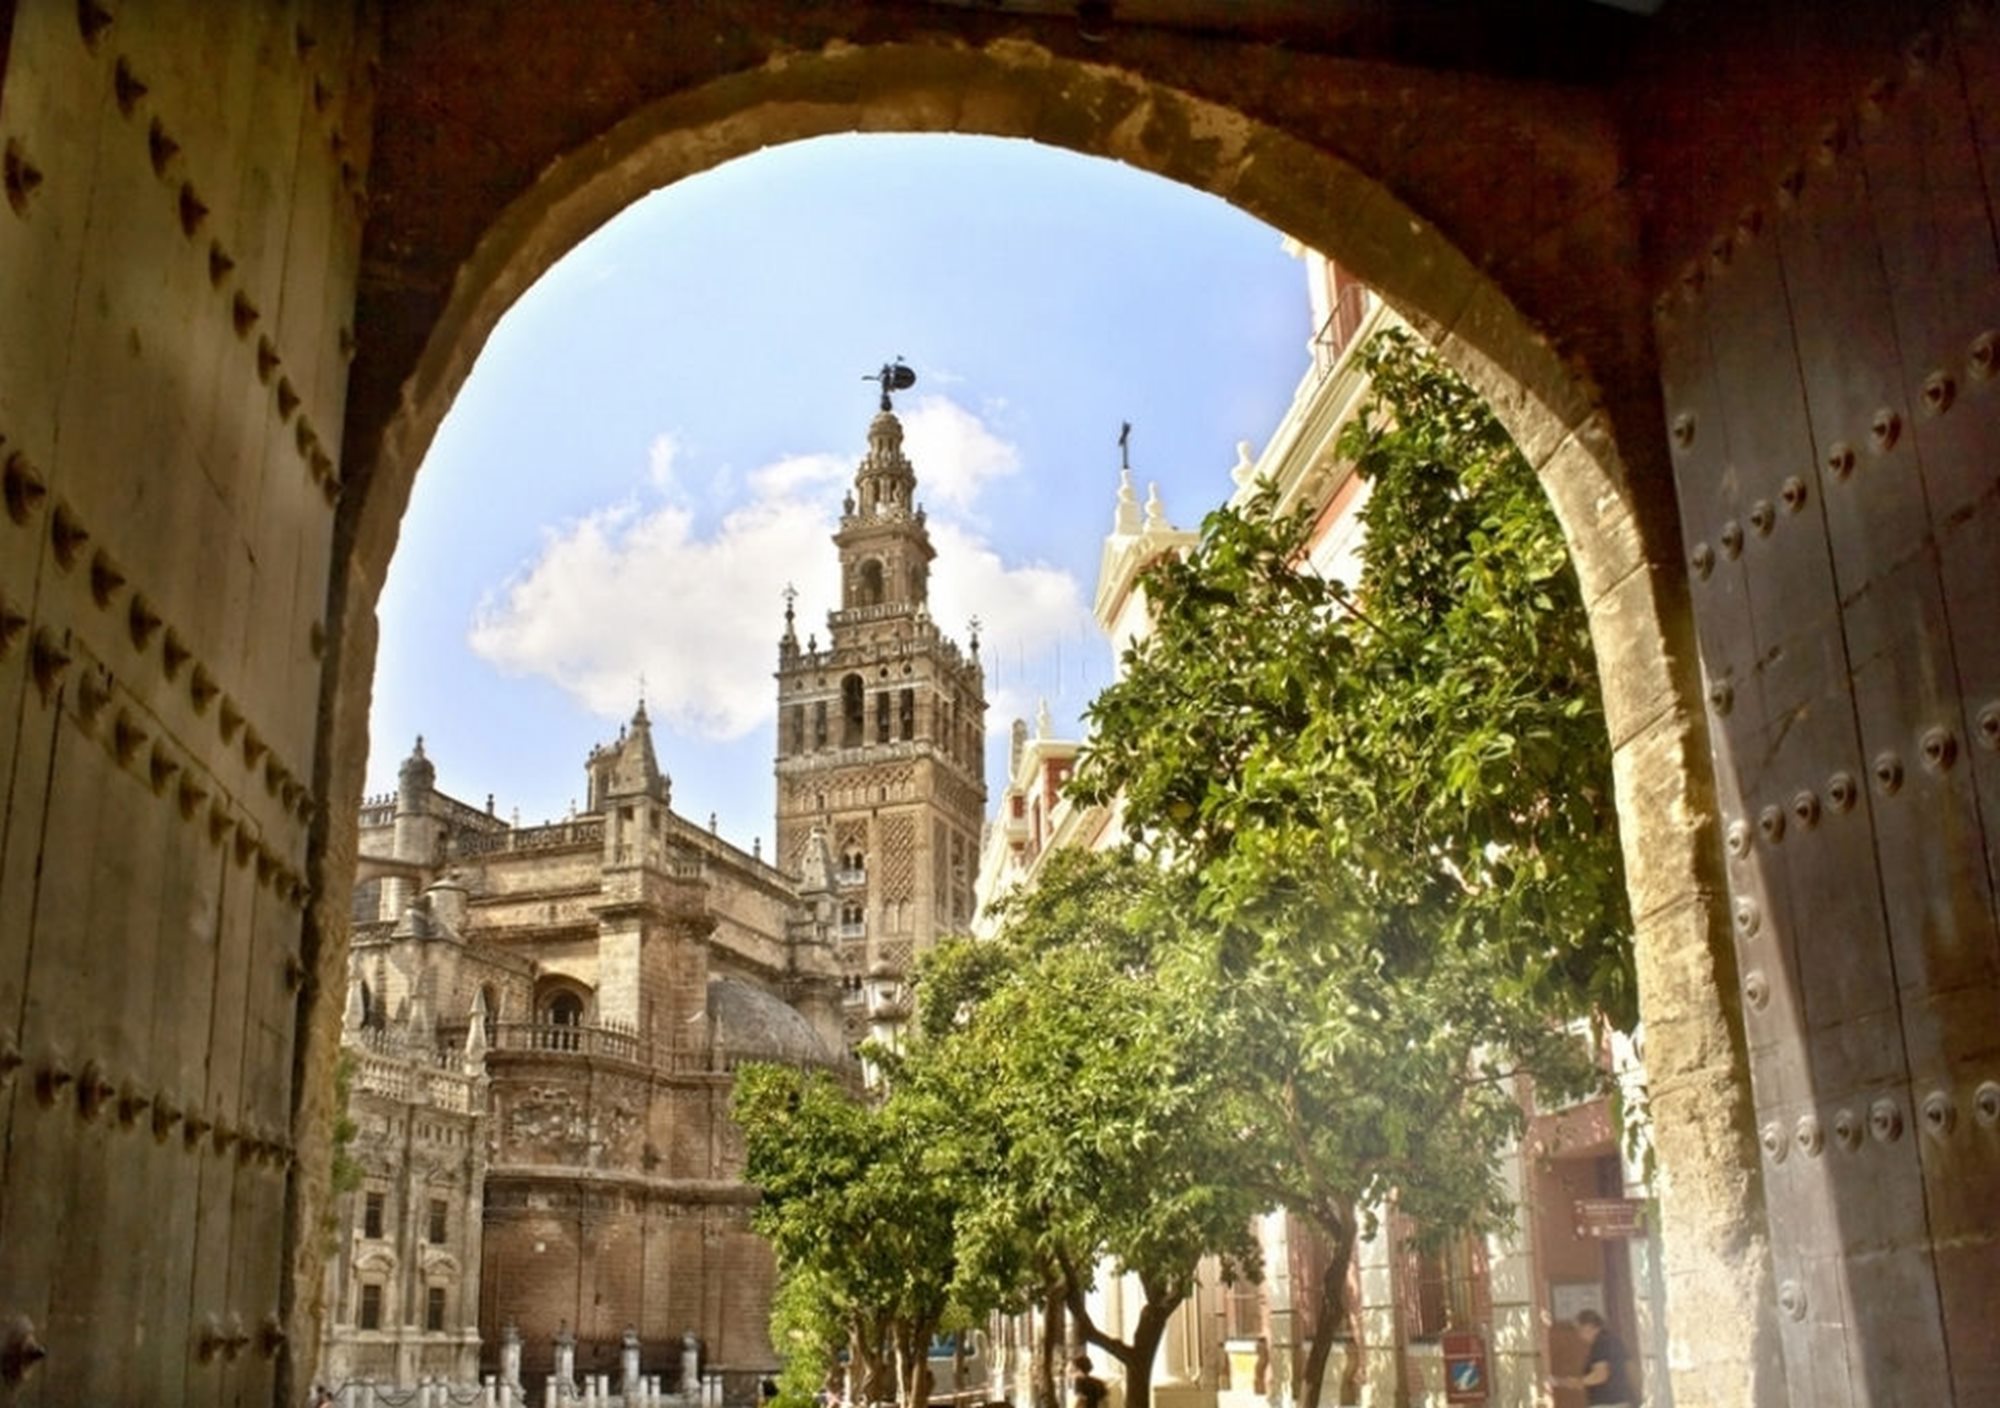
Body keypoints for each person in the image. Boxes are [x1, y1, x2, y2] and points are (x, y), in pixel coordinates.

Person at [1552, 1309, 1636, 1406]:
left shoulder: (1600, 1343)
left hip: (1606, 1402)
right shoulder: (1615, 1340)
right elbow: (1630, 1368)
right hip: (1623, 1400)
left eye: (1579, 1330)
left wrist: (1579, 1382)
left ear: (1588, 1326)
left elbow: (1600, 1375)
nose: (1579, 1335)